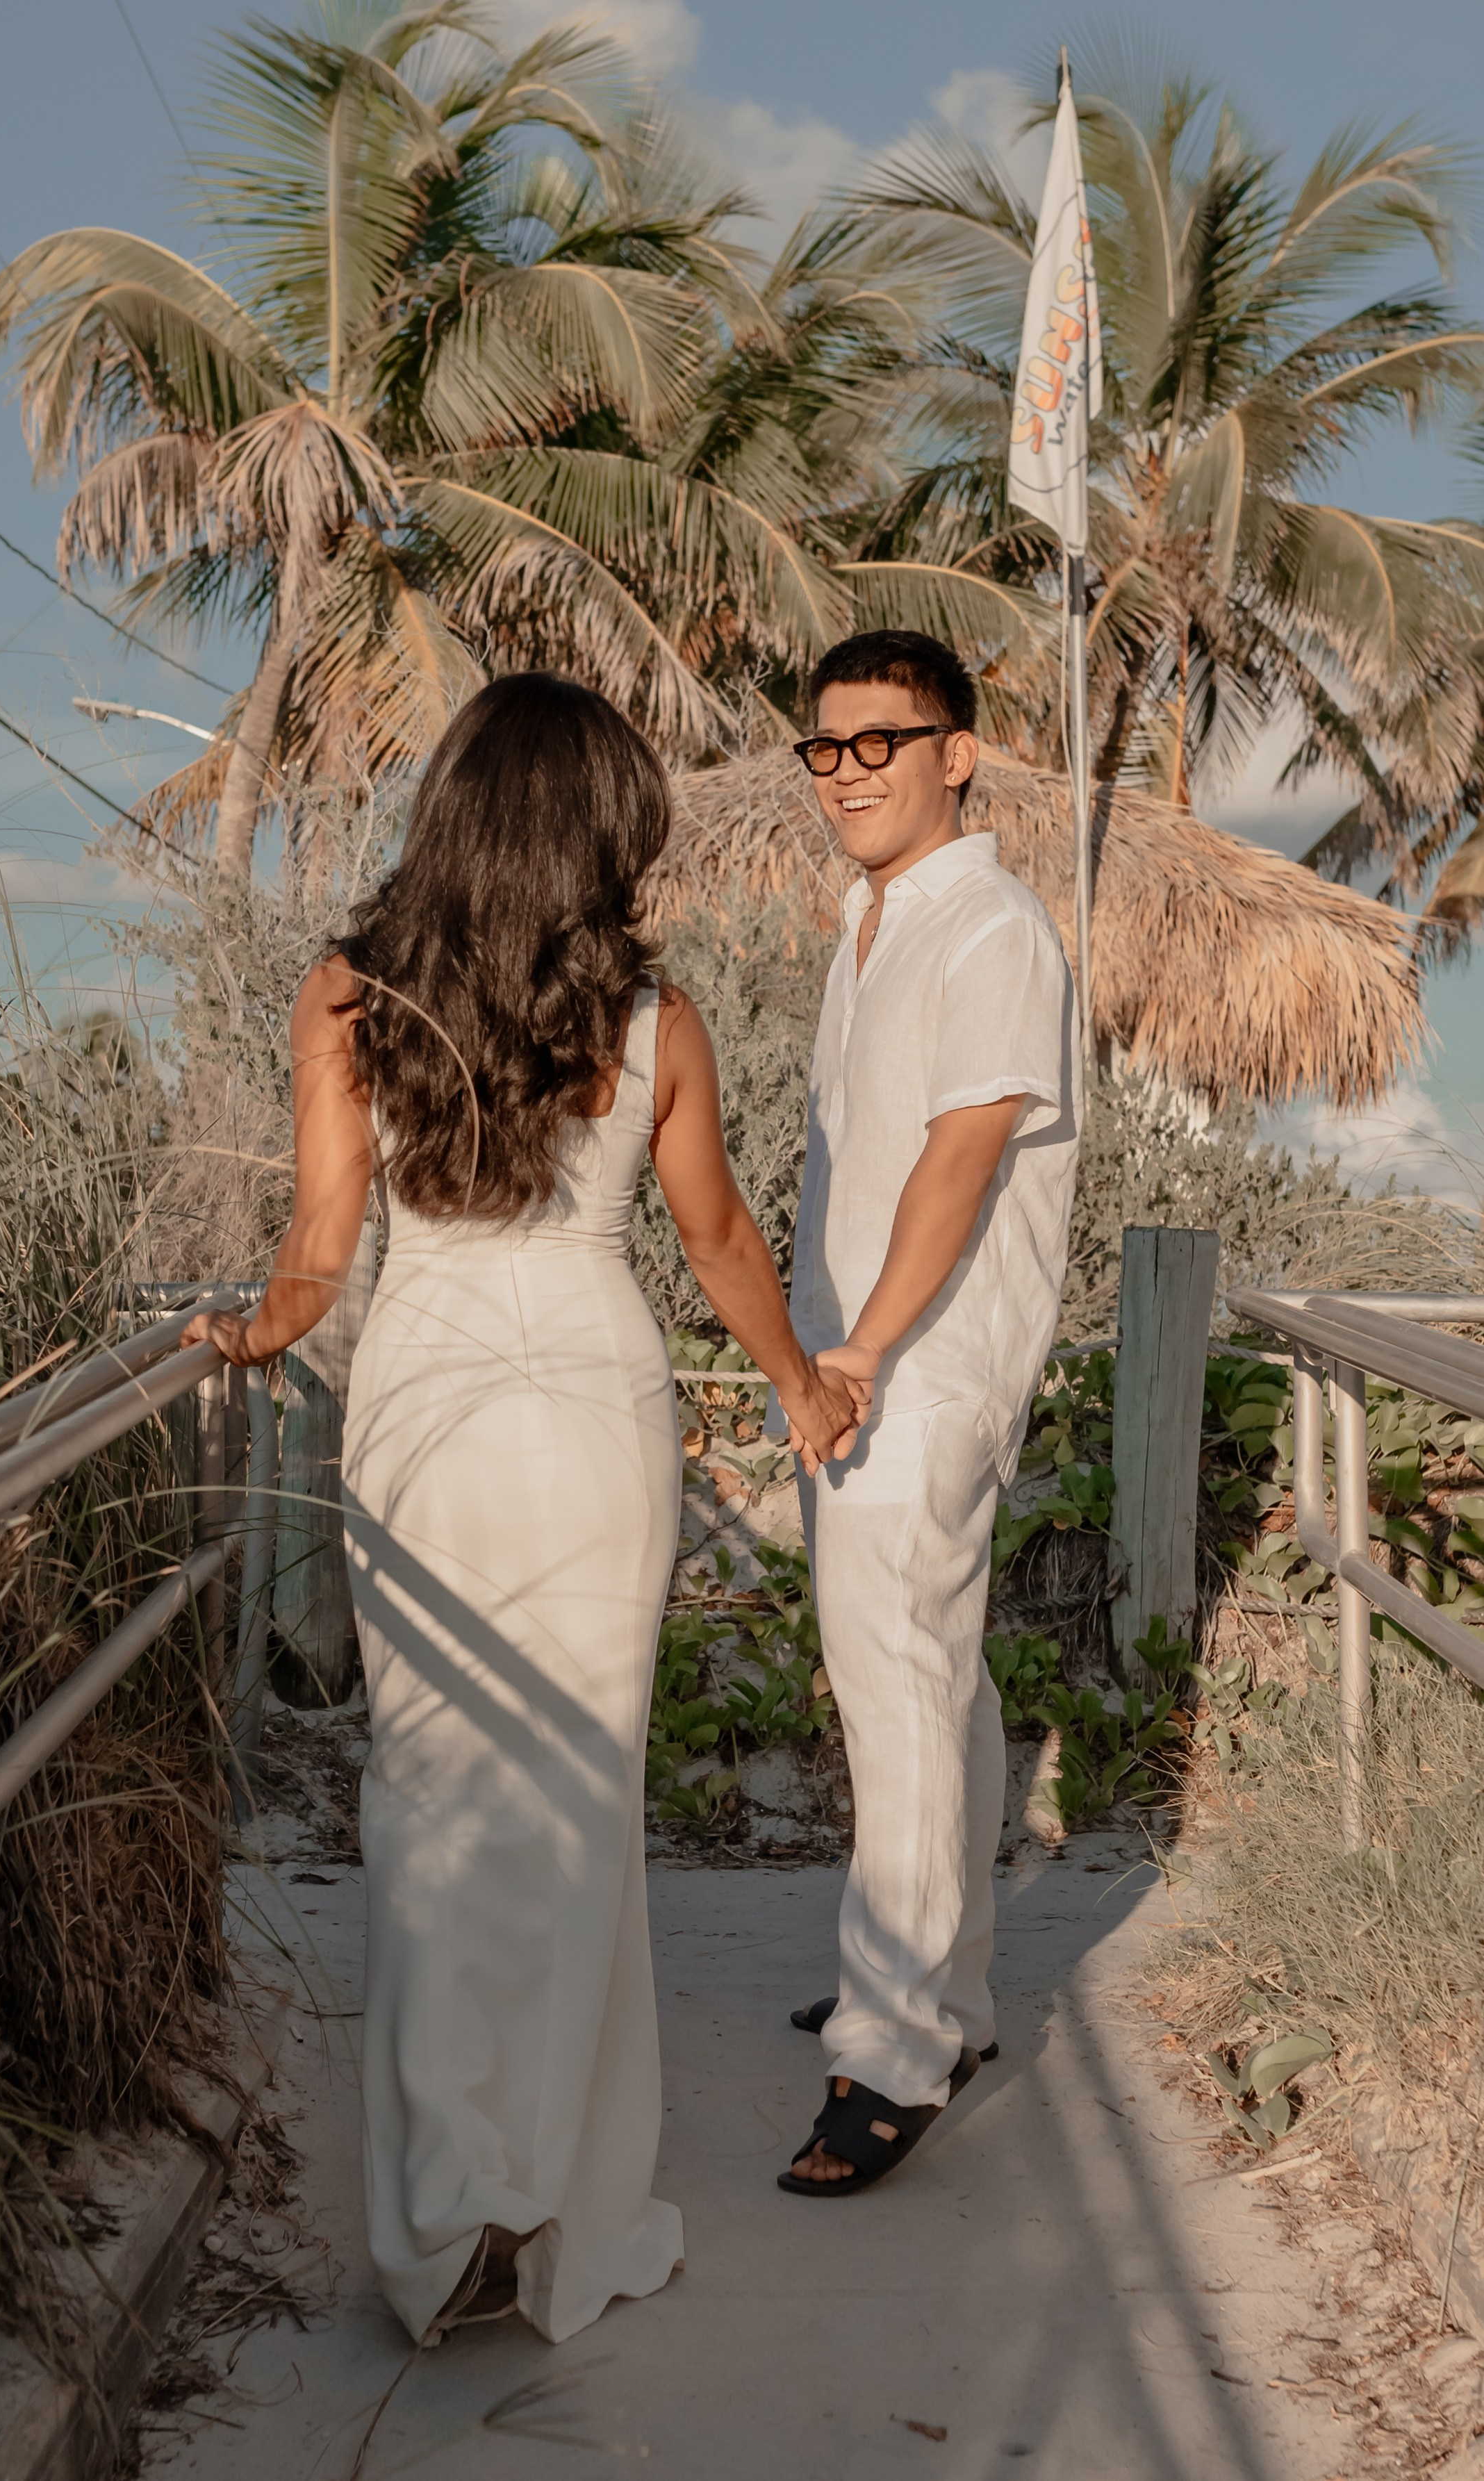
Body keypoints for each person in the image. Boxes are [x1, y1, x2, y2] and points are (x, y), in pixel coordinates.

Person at [185, 673, 864, 2339]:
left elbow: (320, 1256)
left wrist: (251, 1332)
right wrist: (800, 1377)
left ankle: (445, 2211)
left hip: (422, 1402)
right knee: (576, 1805)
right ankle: (557, 2200)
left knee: (427, 1796)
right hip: (593, 1400)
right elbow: (711, 1242)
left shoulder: (345, 1001)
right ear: (595, 833)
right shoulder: (655, 1020)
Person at [773, 629, 1082, 2198]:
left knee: (892, 1692)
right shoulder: (871, 915)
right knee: (931, 1688)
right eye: (824, 748)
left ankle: (889, 2055)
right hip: (860, 1359)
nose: (847, 774)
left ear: (958, 750)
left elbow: (963, 1154)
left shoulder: (993, 925)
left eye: (879, 743)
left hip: (918, 1367)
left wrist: (866, 1350)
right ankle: (939, 1995)